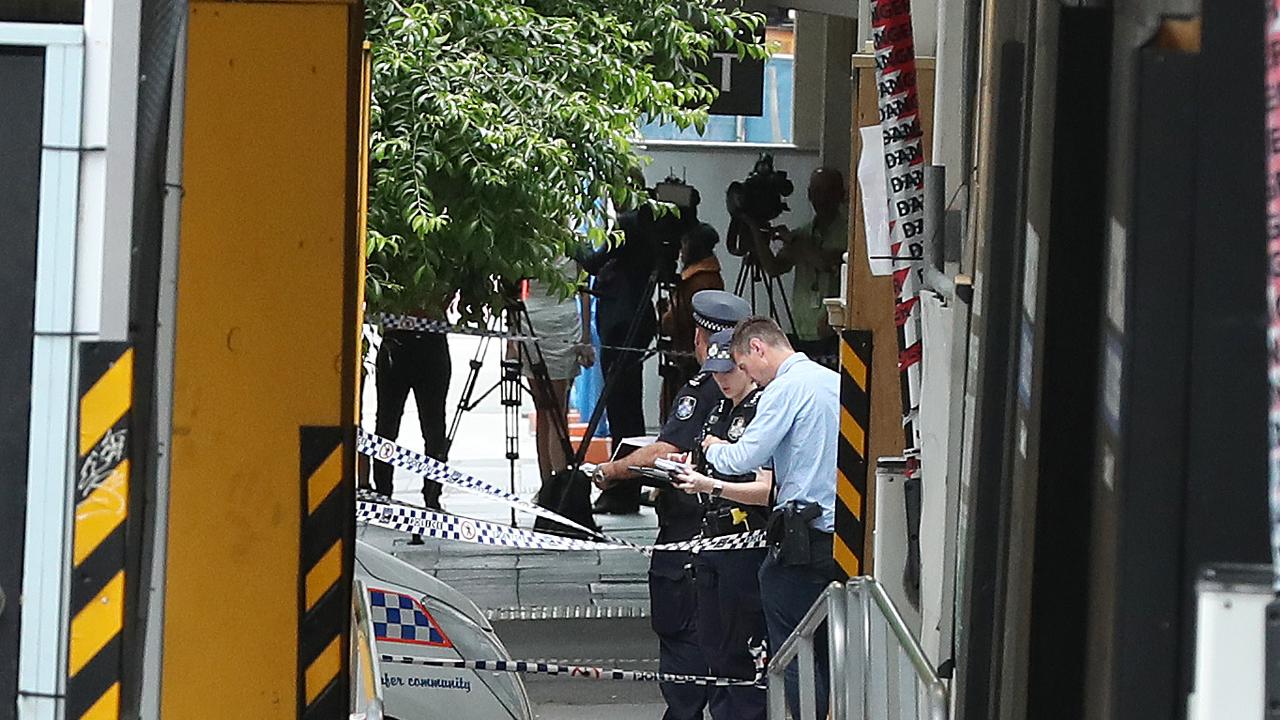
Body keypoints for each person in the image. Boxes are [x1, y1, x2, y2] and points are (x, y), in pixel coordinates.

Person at [591, 289, 752, 720]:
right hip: (737, 545)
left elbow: (665, 449)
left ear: (701, 337)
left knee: (685, 667)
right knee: (732, 667)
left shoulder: (701, 390)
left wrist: (611, 470)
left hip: (689, 545)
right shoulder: (761, 390)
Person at [693, 316, 839, 720]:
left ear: (758, 348)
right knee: (831, 644)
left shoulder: (784, 389)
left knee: (793, 646)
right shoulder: (832, 381)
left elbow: (745, 457)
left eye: (742, 366)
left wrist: (712, 449)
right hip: (840, 535)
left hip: (803, 536)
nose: (748, 377)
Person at [671, 328, 771, 720]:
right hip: (711, 543)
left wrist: (710, 484)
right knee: (714, 649)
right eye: (714, 373)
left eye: (728, 371)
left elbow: (767, 489)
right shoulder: (718, 408)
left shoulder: (763, 409)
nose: (722, 380)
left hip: (746, 544)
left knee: (743, 655)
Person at [580, 201, 659, 515]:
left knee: (621, 409)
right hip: (634, 323)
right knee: (628, 408)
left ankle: (622, 487)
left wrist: (571, 243)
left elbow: (592, 263)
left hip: (622, 326)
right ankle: (628, 483)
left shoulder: (627, 224)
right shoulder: (648, 226)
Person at [513, 260, 595, 489]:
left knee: (543, 409)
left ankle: (547, 484)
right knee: (558, 411)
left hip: (532, 320)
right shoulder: (574, 246)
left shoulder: (530, 241)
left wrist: (513, 337)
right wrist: (586, 337)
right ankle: (558, 486)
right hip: (562, 323)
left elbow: (511, 288)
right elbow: (584, 291)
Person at [755, 167, 848, 361]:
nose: (820, 199)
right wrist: (754, 229)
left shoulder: (849, 233)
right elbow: (773, 268)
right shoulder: (803, 233)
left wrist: (792, 241)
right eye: (815, 192)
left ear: (841, 194)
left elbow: (824, 262)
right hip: (800, 328)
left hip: (833, 329)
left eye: (827, 191)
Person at [373, 299, 454, 513]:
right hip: (399, 342)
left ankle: (432, 495)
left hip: (427, 342)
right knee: (388, 424)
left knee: (433, 427)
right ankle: (383, 493)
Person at [659, 222, 725, 419]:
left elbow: (671, 324)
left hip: (689, 360)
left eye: (685, 243)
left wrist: (662, 311)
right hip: (691, 357)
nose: (680, 251)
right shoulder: (710, 277)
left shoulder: (697, 282)